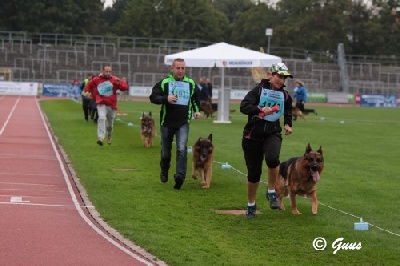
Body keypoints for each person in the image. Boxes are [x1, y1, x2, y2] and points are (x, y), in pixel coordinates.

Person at [240, 62, 293, 219]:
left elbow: (288, 110)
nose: (281, 80)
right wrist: (260, 109)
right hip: (252, 136)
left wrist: (288, 124)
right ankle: (251, 205)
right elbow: (244, 107)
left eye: (284, 78)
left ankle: (271, 191)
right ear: (271, 75)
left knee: (272, 158)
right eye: (279, 76)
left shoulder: (285, 96)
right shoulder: (258, 90)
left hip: (272, 133)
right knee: (254, 174)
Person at [149, 58, 201, 190]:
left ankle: (180, 176)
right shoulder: (165, 83)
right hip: (166, 122)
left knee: (181, 149)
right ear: (172, 68)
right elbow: (153, 97)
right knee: (166, 153)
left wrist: (196, 111)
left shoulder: (190, 83)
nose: (180, 71)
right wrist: (165, 98)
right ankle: (164, 169)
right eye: (178, 68)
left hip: (183, 122)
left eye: (183, 68)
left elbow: (195, 98)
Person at [85, 65, 128, 146]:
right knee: (101, 117)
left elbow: (125, 87)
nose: (108, 73)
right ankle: (100, 138)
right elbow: (89, 85)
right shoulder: (97, 79)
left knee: (110, 125)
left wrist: (120, 84)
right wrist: (87, 92)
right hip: (101, 103)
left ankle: (109, 135)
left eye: (109, 72)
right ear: (103, 71)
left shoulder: (115, 79)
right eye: (106, 71)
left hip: (111, 105)